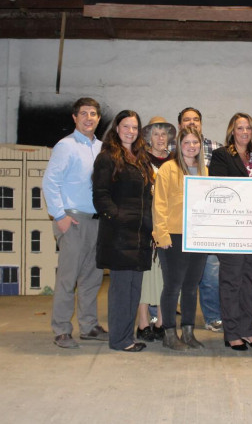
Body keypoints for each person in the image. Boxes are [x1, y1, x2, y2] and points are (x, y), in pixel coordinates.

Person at [43, 97, 107, 349]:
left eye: (93, 114)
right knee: (68, 279)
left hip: (96, 222)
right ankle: (61, 329)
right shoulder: (65, 146)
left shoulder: (102, 148)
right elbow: (50, 182)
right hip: (73, 220)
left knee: (92, 278)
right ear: (74, 117)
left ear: (98, 118)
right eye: (83, 113)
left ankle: (89, 326)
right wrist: (59, 216)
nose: (88, 118)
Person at [209, 112, 252, 351]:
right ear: (232, 131)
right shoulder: (221, 155)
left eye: (248, 128)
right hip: (232, 228)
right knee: (231, 280)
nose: (244, 132)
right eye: (239, 128)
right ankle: (232, 332)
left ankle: (248, 330)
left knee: (251, 280)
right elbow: (220, 189)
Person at [93, 110, 154, 352]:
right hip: (119, 235)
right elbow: (101, 195)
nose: (131, 131)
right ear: (116, 128)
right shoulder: (107, 158)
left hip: (140, 234)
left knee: (134, 290)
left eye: (135, 127)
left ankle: (127, 336)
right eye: (126, 126)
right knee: (121, 290)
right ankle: (119, 339)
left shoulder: (140, 158)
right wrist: (118, 218)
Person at [153, 126, 208, 350]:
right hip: (173, 236)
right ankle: (169, 335)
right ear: (179, 145)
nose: (191, 146)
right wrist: (162, 234)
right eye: (187, 142)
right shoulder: (168, 169)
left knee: (191, 287)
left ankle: (188, 333)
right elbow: (159, 204)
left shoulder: (205, 171)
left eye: (195, 142)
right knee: (173, 286)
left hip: (197, 237)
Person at [176, 107, 224, 333]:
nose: (192, 123)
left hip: (207, 225)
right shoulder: (172, 151)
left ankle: (213, 317)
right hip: (179, 224)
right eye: (187, 120)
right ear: (179, 125)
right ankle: (169, 318)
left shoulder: (217, 149)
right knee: (176, 276)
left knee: (211, 274)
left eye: (196, 119)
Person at [135, 117, 176, 342]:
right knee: (144, 276)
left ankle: (161, 322)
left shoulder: (175, 161)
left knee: (165, 276)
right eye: (156, 134)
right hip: (144, 225)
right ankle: (142, 323)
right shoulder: (139, 161)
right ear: (148, 138)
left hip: (169, 226)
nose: (160, 138)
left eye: (164, 134)